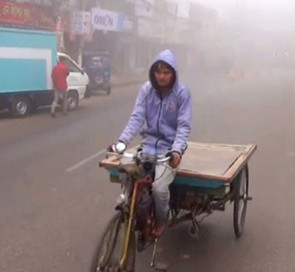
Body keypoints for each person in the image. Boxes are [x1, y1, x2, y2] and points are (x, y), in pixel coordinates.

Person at [112, 49, 192, 236]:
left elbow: (183, 126)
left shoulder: (182, 93)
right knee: (126, 174)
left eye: (166, 72)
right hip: (148, 145)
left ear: (173, 74)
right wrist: (122, 142)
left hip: (168, 151)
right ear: (153, 72)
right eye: (158, 72)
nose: (161, 77)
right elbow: (137, 118)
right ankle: (134, 210)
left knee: (158, 188)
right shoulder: (146, 90)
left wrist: (177, 151)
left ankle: (162, 221)